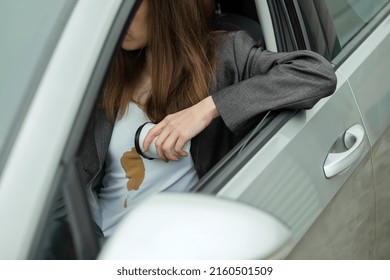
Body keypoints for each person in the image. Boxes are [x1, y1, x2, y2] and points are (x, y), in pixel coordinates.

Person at [78, 0, 337, 238]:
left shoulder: (224, 56)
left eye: (129, 7)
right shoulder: (108, 72)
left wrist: (208, 108)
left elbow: (315, 74)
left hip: (166, 249)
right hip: (96, 244)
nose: (118, 21)